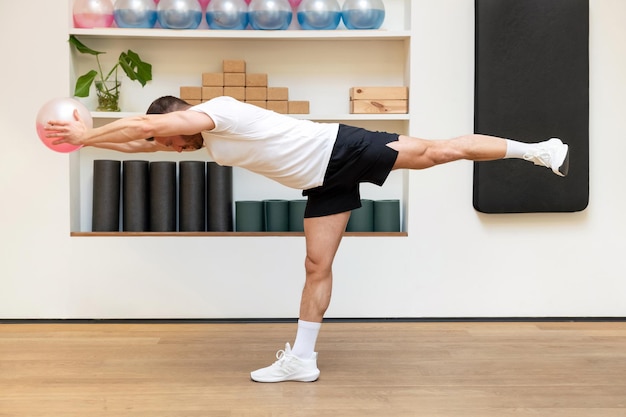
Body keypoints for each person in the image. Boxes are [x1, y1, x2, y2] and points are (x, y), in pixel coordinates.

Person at [47, 95, 569, 383]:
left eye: (167, 135)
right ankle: (302, 359)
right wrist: (93, 147)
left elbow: (143, 125)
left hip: (339, 148)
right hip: (321, 180)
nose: (167, 146)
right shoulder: (205, 141)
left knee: (436, 152)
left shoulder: (220, 111)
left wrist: (84, 135)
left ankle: (537, 150)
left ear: (177, 118)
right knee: (316, 266)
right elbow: (144, 143)